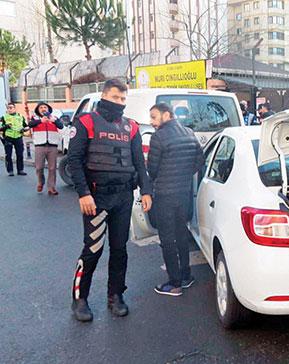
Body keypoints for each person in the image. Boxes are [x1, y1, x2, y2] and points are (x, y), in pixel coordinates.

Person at [67, 79, 153, 322]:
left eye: (123, 99)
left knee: (119, 250)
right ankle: (79, 299)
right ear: (104, 96)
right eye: (116, 97)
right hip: (96, 198)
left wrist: (146, 191)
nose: (120, 103)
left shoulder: (132, 127)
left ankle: (116, 296)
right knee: (93, 250)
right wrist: (83, 193)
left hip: (123, 197)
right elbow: (74, 160)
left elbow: (139, 163)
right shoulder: (85, 122)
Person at [147, 103, 204, 297]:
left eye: (154, 117)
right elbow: (199, 161)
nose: (152, 122)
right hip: (184, 193)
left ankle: (174, 283)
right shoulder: (189, 132)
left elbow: (152, 170)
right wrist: (183, 175)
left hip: (164, 195)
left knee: (167, 238)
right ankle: (186, 276)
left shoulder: (158, 137)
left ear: (166, 115)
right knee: (181, 234)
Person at [29, 102, 63, 194]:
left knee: (52, 168)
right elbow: (30, 124)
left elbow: (61, 126)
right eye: (41, 107)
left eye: (45, 107)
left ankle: (51, 187)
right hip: (40, 145)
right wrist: (41, 121)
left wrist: (54, 121)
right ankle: (41, 181)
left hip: (52, 145)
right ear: (38, 110)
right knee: (39, 167)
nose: (43, 109)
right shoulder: (35, 118)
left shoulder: (54, 118)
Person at [0, 102, 28, 176]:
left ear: (15, 108)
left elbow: (26, 127)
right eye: (8, 108)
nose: (9, 109)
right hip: (8, 138)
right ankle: (10, 171)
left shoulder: (20, 117)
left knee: (20, 154)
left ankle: (20, 170)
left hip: (18, 137)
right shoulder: (4, 117)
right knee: (8, 155)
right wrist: (5, 126)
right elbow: (0, 128)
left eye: (11, 107)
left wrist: (24, 129)